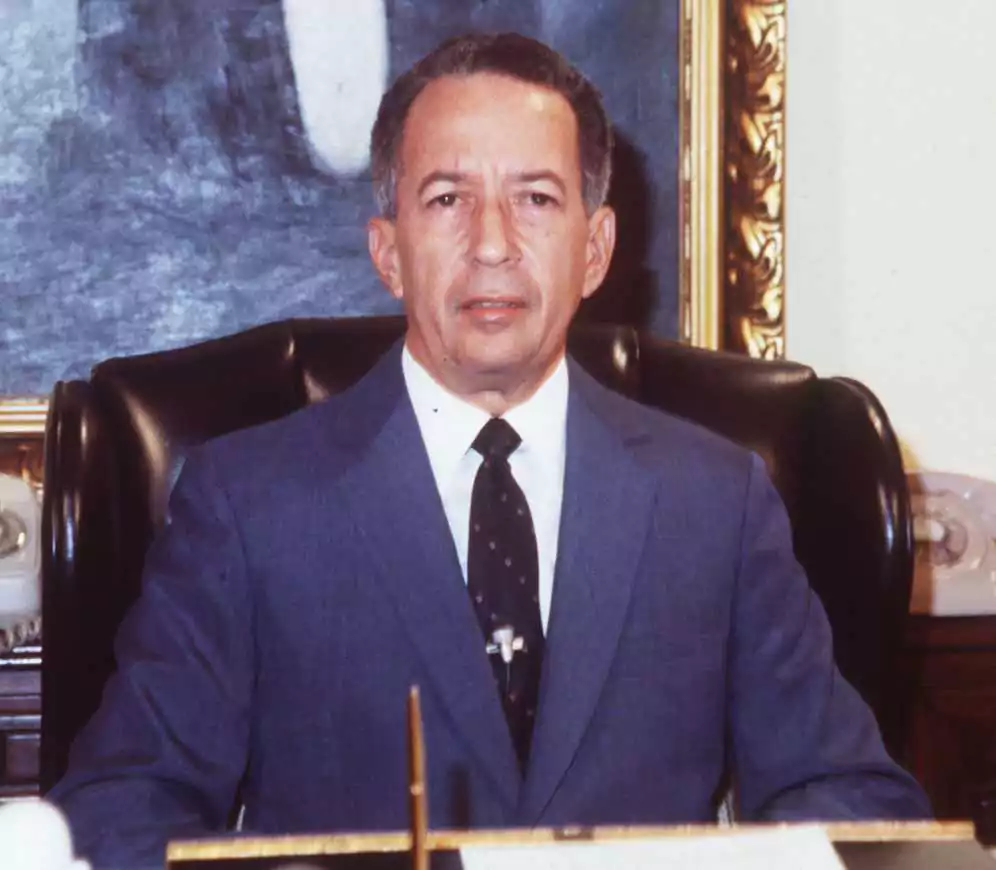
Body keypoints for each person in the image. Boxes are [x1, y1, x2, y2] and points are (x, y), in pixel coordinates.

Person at [50, 31, 931, 868]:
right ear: (388, 252)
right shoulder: (248, 504)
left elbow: (853, 801)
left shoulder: (715, 501)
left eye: (536, 198)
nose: (493, 244)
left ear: (595, 250)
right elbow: (120, 812)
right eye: (448, 199)